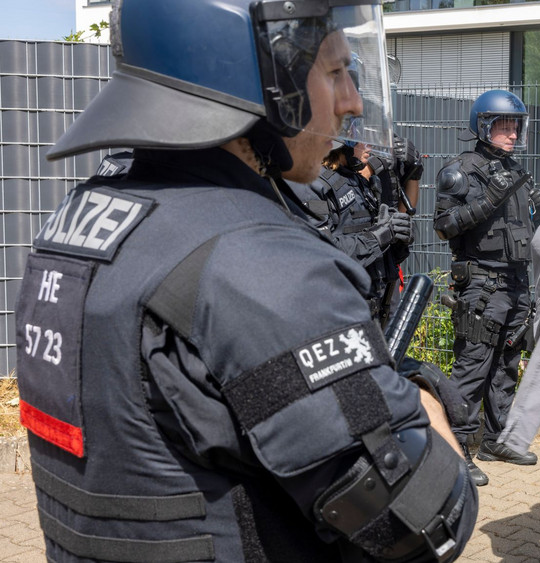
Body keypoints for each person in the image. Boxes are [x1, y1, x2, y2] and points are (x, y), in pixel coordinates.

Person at [15, 1, 477, 561]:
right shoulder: (260, 262)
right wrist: (420, 404)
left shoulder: (79, 216)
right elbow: (416, 526)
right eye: (334, 73)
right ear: (254, 81)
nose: (352, 101)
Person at [434, 89, 540, 486]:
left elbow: (527, 227)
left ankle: (496, 440)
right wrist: (487, 203)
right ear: (483, 126)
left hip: (516, 283)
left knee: (506, 365)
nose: (512, 132)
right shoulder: (459, 171)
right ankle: (456, 448)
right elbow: (444, 226)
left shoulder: (515, 170)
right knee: (471, 369)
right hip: (481, 283)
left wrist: (539, 207)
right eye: (504, 125)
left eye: (515, 125)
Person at [289, 140, 414, 327]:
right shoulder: (313, 185)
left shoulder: (362, 182)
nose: (368, 146)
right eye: (360, 141)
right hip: (339, 311)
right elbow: (321, 252)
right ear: (340, 144)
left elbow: (381, 251)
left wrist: (398, 237)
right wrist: (377, 237)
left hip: (376, 306)